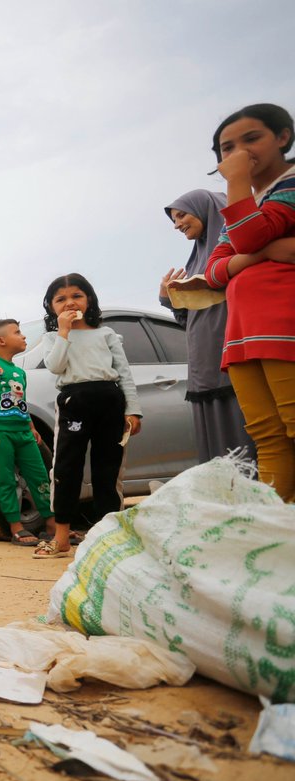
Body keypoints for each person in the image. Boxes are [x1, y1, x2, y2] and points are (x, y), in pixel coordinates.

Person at [201, 103, 295, 502]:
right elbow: (214, 271)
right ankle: (279, 529)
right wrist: (264, 253)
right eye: (227, 148)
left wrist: (236, 183)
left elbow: (248, 235)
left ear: (283, 137)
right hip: (242, 336)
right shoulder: (248, 203)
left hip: (284, 326)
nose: (238, 152)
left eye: (251, 138)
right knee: (267, 435)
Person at [33, 274, 143, 559]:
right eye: (61, 299)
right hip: (74, 400)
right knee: (66, 468)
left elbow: (124, 373)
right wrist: (63, 333)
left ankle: (109, 536)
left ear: (89, 299)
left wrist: (132, 409)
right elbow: (55, 367)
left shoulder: (106, 334)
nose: (70, 302)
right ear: (51, 306)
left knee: (108, 470)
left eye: (77, 296)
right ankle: (61, 537)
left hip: (110, 399)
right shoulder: (51, 338)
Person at [158, 190, 255, 465]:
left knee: (246, 426)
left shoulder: (236, 248)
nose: (177, 224)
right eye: (174, 219)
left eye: (181, 215)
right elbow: (191, 319)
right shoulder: (196, 260)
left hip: (235, 350)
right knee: (216, 443)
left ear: (205, 211)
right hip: (204, 362)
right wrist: (168, 297)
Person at [0, 319, 56, 546]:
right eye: (18, 332)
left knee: (40, 477)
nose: (23, 336)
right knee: (5, 478)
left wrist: (32, 427)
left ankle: (52, 525)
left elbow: (21, 402)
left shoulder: (19, 372)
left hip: (23, 433)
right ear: (1, 341)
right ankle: (16, 527)